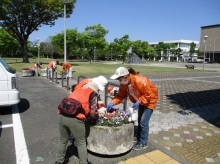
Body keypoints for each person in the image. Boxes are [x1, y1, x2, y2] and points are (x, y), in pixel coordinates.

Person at [107, 67, 158, 150]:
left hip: (150, 101)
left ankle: (143, 143)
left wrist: (139, 101)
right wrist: (112, 103)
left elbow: (149, 94)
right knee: (139, 119)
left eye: (120, 79)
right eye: (118, 80)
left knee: (143, 121)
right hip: (140, 100)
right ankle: (138, 137)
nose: (119, 81)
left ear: (126, 77)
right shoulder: (124, 84)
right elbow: (120, 96)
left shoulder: (140, 80)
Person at [55, 82, 100, 164]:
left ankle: (59, 161)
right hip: (75, 119)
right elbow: (93, 112)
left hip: (61, 115)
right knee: (81, 142)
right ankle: (83, 162)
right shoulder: (93, 94)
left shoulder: (78, 89)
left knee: (63, 140)